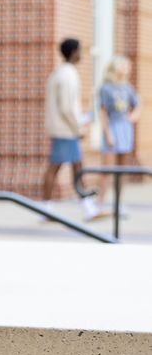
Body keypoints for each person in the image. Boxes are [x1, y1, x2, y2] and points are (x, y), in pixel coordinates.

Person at [42, 37, 104, 220]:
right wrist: (78, 127)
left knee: (75, 167)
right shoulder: (68, 74)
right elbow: (67, 107)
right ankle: (48, 208)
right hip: (66, 131)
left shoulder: (59, 73)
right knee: (64, 168)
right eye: (80, 50)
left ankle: (84, 206)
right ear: (74, 52)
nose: (82, 54)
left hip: (63, 129)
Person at [98, 54, 141, 212]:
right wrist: (108, 134)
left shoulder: (128, 88)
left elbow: (137, 105)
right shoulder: (106, 88)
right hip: (112, 128)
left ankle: (118, 203)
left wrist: (133, 116)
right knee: (107, 169)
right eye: (125, 65)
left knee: (122, 170)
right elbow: (102, 113)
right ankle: (100, 202)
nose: (127, 68)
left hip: (125, 130)